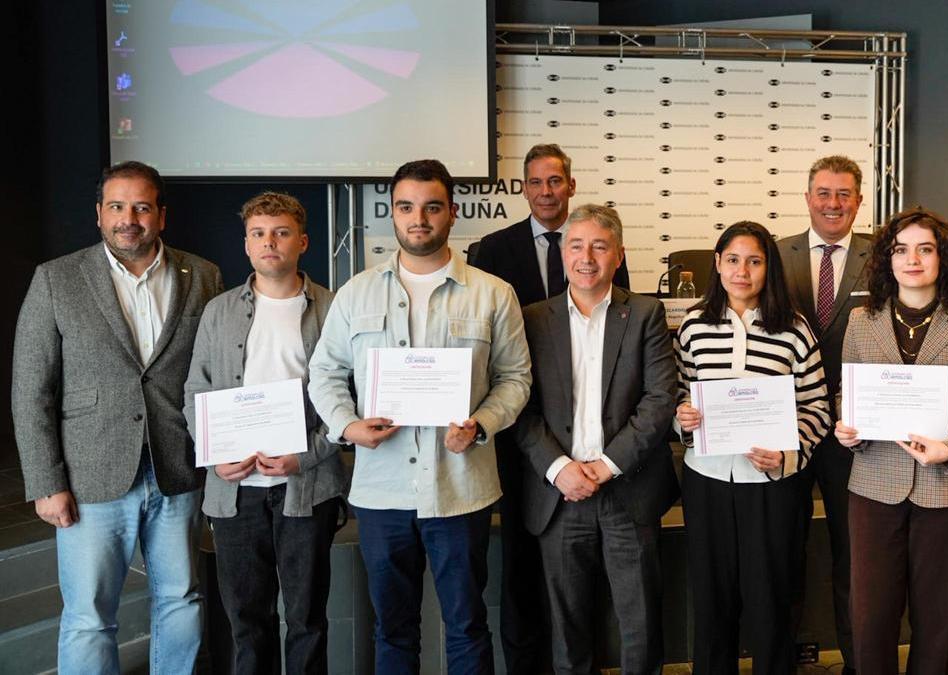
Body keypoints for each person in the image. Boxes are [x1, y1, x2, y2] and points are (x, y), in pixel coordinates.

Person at [308, 159, 531, 675]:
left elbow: (516, 380)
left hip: (462, 488)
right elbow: (324, 372)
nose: (419, 219)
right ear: (394, 214)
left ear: (452, 212)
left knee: (468, 623)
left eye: (432, 207)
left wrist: (481, 424)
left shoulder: (493, 293)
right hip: (382, 491)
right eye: (406, 207)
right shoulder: (356, 293)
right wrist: (347, 425)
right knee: (394, 628)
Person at [12, 160, 223, 674]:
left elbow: (219, 372)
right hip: (91, 476)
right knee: (89, 616)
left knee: (182, 600)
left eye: (142, 207)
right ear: (99, 215)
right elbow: (30, 388)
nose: (129, 218)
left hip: (178, 469)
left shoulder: (204, 275)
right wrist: (45, 481)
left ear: (161, 215)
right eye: (117, 206)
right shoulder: (57, 279)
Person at [472, 143, 630, 673]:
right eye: (536, 182)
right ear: (523, 188)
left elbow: (620, 340)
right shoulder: (493, 250)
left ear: (571, 185)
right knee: (521, 566)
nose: (546, 191)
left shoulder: (603, 244)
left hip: (594, 443)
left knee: (591, 583)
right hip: (526, 436)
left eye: (555, 181)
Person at [833, 207, 948, 675]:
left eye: (925, 249)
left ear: (942, 259)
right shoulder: (860, 322)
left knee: (938, 622)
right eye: (901, 249)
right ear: (887, 261)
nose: (913, 259)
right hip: (873, 486)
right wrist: (845, 427)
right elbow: (845, 397)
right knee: (871, 618)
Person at [182, 191, 346, 674]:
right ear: (247, 244)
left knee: (307, 618)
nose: (268, 242)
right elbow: (196, 390)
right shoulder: (219, 311)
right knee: (246, 621)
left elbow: (349, 401)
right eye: (258, 233)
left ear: (303, 241)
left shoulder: (335, 309)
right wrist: (215, 457)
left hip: (306, 487)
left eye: (280, 232)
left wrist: (307, 456)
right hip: (235, 491)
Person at [515, 204, 677, 674]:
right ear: (563, 252)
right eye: (577, 245)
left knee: (640, 624)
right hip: (558, 495)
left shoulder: (645, 313)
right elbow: (519, 406)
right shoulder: (532, 318)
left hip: (628, 491)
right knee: (568, 629)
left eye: (600, 246)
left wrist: (606, 466)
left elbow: (659, 399)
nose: (587, 257)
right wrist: (559, 468)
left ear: (619, 254)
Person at [674, 221, 831, 674]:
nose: (742, 271)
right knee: (712, 600)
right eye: (733, 259)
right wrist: (682, 418)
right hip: (707, 482)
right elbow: (680, 397)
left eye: (755, 261)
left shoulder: (794, 329)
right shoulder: (693, 326)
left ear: (769, 269)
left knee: (772, 602)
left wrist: (788, 455)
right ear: (718, 265)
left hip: (772, 485)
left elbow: (818, 405)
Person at [777, 155, 872, 671]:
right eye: (823, 193)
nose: (833, 203)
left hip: (853, 432)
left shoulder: (883, 257)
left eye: (844, 194)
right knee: (783, 551)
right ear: (808, 197)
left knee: (852, 556)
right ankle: (782, 658)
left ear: (858, 201)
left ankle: (859, 661)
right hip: (786, 427)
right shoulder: (775, 254)